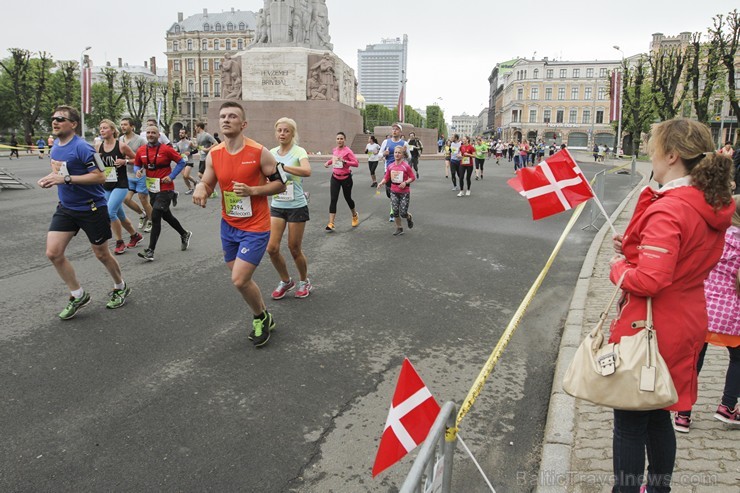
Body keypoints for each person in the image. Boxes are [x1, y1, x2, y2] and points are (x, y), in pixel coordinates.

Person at [608, 118, 734, 493]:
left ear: (673, 155)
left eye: (653, 151)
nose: (652, 158)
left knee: (630, 424)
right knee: (661, 415)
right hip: (688, 318)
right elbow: (681, 259)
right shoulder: (707, 202)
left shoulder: (671, 207)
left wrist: (619, 269)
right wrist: (634, 248)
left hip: (653, 326)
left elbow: (651, 280)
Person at [192, 101, 287, 347]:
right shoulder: (215, 154)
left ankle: (259, 318)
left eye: (232, 116)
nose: (226, 119)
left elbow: (280, 184)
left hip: (256, 226)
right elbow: (208, 182)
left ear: (243, 124)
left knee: (239, 279)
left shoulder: (259, 152)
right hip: (229, 225)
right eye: (223, 116)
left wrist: (253, 189)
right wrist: (201, 187)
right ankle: (264, 315)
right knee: (241, 280)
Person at [37, 106, 131, 319]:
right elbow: (60, 173)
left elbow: (100, 176)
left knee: (101, 253)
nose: (55, 122)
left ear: (73, 124)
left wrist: (65, 179)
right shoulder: (56, 148)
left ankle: (120, 285)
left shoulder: (84, 148)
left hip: (92, 207)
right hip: (67, 208)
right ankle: (77, 294)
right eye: (53, 118)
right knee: (53, 253)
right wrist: (50, 177)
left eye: (61, 118)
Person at [672, 195, 739, 432]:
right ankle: (727, 407)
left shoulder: (713, 236)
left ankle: (683, 414)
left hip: (702, 309)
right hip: (731, 315)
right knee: (738, 358)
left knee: (694, 360)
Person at [267, 117, 313, 300]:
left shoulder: (298, 151)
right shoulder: (270, 152)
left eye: (286, 131)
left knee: (294, 248)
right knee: (271, 248)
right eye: (279, 130)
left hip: (296, 205)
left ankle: (304, 281)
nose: (282, 134)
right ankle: (286, 281)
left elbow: (307, 171)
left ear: (292, 133)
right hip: (277, 204)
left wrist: (283, 167)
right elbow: (265, 174)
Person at [134, 125, 192, 261]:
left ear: (158, 135)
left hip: (166, 189)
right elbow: (137, 163)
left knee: (155, 216)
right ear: (145, 135)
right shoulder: (141, 150)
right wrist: (138, 170)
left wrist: (171, 176)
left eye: (153, 132)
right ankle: (184, 233)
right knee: (167, 216)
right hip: (153, 189)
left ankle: (150, 251)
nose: (150, 135)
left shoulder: (166, 149)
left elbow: (181, 162)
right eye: (148, 133)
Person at [97, 120, 143, 255]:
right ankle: (135, 235)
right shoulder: (98, 146)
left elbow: (138, 160)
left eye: (105, 128)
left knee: (110, 212)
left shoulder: (121, 146)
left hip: (121, 184)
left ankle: (119, 242)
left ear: (112, 130)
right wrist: (97, 160)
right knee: (119, 214)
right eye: (101, 128)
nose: (102, 130)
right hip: (106, 185)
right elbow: (98, 166)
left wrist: (125, 161)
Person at [119, 118, 152, 233]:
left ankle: (151, 220)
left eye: (125, 125)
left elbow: (146, 159)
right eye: (121, 125)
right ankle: (143, 214)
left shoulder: (140, 141)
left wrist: (127, 161)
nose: (123, 127)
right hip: (127, 175)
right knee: (125, 199)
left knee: (143, 199)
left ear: (132, 127)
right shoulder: (120, 140)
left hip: (140, 174)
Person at [324, 131, 359, 231]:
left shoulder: (348, 151)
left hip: (346, 178)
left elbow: (356, 163)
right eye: (338, 139)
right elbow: (334, 159)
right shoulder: (335, 150)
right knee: (333, 199)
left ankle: (354, 215)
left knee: (348, 198)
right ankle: (331, 223)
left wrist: (345, 162)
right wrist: (328, 162)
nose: (339, 140)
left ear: (345, 140)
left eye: (341, 139)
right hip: (335, 177)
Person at [377, 145, 415, 236]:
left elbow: (413, 177)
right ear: (393, 154)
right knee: (395, 211)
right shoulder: (390, 166)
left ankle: (408, 217)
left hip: (404, 192)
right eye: (395, 152)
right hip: (393, 191)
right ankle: (399, 228)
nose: (397, 154)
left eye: (399, 153)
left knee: (403, 213)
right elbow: (386, 177)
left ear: (402, 154)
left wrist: (405, 182)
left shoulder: (406, 166)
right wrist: (381, 183)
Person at [379, 124, 410, 220]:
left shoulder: (404, 143)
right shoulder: (386, 142)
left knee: (399, 191)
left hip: (401, 172)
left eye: (397, 129)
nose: (394, 131)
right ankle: (395, 205)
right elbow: (379, 155)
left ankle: (393, 210)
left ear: (400, 132)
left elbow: (409, 158)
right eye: (393, 129)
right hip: (388, 170)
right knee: (389, 193)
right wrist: (384, 153)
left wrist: (405, 153)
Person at [175, 128, 198, 194]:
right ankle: (191, 188)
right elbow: (177, 152)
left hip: (189, 161)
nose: (181, 134)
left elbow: (196, 150)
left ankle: (195, 182)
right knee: (184, 177)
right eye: (180, 133)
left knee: (186, 175)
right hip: (182, 161)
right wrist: (178, 154)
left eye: (182, 133)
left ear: (185, 134)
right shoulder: (178, 143)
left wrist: (190, 153)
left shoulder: (189, 142)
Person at [195, 122, 217, 189]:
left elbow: (216, 143)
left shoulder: (206, 135)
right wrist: (194, 146)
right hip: (202, 157)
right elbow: (199, 147)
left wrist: (207, 149)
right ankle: (209, 188)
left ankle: (209, 187)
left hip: (207, 157)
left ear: (199, 127)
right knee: (203, 174)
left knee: (200, 174)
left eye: (195, 127)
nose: (195, 128)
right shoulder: (198, 135)